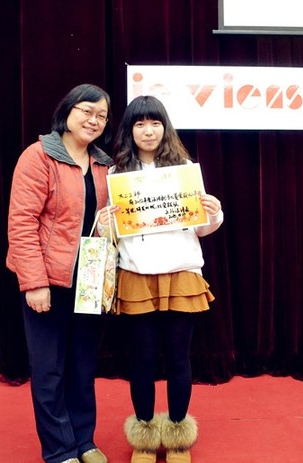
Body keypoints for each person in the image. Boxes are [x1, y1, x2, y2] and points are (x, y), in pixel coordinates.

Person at [97, 95, 224, 463]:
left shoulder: (184, 170)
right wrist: (105, 224)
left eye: (155, 123)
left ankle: (179, 439)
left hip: (181, 273)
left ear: (165, 128)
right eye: (140, 124)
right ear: (129, 130)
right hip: (136, 275)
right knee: (142, 360)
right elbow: (114, 233)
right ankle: (145, 439)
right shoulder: (116, 174)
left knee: (179, 358)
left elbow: (199, 228)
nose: (148, 131)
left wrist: (213, 212)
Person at [6, 83, 113, 463]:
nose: (94, 120)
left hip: (89, 280)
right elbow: (22, 224)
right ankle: (59, 449)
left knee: (83, 367)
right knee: (49, 370)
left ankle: (84, 442)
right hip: (48, 279)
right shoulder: (38, 156)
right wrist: (34, 283)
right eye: (87, 111)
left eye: (102, 116)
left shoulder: (104, 164)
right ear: (67, 111)